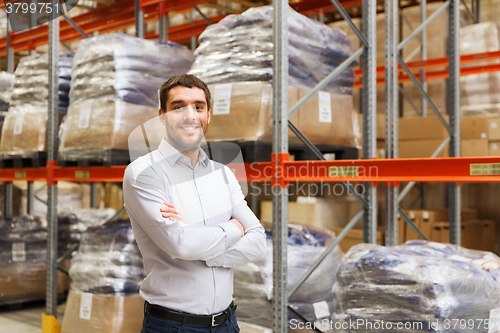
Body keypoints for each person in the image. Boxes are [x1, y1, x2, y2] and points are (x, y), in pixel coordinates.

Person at [123, 74, 267, 333]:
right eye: (179, 107)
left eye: (198, 107)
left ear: (208, 115)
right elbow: (179, 244)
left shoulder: (223, 174)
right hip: (172, 326)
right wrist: (234, 229)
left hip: (228, 324)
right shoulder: (143, 173)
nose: (190, 116)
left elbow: (257, 244)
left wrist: (200, 248)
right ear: (162, 116)